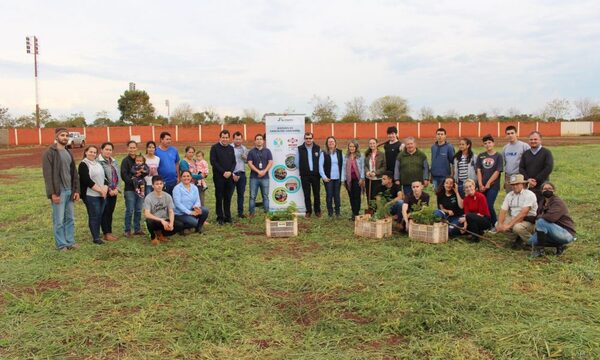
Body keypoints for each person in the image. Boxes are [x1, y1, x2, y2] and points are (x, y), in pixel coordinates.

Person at [42, 127, 80, 251]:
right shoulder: (50, 152)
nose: (65, 137)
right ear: (57, 136)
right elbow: (48, 175)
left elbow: (74, 173)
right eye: (62, 135)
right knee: (59, 220)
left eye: (66, 135)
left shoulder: (68, 152)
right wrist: (53, 193)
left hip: (70, 191)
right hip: (59, 191)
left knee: (70, 219)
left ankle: (70, 241)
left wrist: (76, 190)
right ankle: (61, 244)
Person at [528, 182, 576, 257]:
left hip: (565, 233)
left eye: (550, 188)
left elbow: (550, 218)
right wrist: (523, 217)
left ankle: (541, 250)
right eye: (545, 189)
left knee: (541, 221)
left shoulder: (557, 202)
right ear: (541, 191)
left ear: (554, 190)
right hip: (553, 231)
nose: (547, 190)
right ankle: (559, 245)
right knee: (532, 241)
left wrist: (538, 218)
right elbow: (537, 216)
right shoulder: (542, 202)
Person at [496, 174, 537, 250]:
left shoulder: (529, 195)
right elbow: (503, 210)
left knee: (517, 228)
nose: (515, 186)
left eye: (517, 184)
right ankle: (517, 239)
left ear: (523, 184)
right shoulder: (509, 195)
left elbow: (523, 213)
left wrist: (508, 225)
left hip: (527, 220)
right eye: (513, 184)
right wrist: (500, 224)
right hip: (514, 218)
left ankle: (534, 243)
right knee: (497, 224)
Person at [78, 145, 108, 245]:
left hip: (101, 194)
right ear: (86, 152)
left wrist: (105, 188)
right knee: (94, 215)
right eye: (90, 152)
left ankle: (97, 234)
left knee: (100, 214)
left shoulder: (97, 163)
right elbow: (87, 180)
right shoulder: (83, 164)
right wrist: (100, 190)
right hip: (90, 195)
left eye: (95, 152)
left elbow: (105, 178)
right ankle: (95, 237)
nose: (93, 154)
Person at [210, 129, 236, 225]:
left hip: (229, 177)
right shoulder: (214, 148)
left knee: (228, 197)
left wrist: (230, 172)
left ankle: (227, 216)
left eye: (227, 137)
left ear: (229, 138)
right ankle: (220, 217)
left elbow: (234, 162)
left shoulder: (231, 148)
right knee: (219, 197)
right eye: (223, 137)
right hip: (219, 177)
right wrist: (223, 172)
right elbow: (213, 162)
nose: (225, 139)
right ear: (220, 138)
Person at [519, 131, 554, 202]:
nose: (533, 141)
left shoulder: (546, 153)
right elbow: (521, 168)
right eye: (531, 139)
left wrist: (536, 180)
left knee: (542, 206)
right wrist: (528, 179)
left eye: (535, 139)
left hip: (542, 186)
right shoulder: (525, 154)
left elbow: (548, 168)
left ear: (540, 140)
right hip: (528, 186)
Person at [476, 134, 503, 225]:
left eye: (489, 142)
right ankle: (486, 223)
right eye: (485, 143)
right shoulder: (481, 155)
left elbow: (497, 171)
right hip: (481, 186)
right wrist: (480, 184)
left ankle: (495, 223)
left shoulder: (498, 156)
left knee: (489, 205)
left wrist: (488, 183)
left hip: (493, 186)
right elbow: (478, 170)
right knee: (482, 205)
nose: (488, 145)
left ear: (493, 143)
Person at [121, 141, 145, 238]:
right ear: (127, 148)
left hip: (140, 189)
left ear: (136, 148)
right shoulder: (125, 161)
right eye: (130, 147)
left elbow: (145, 170)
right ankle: (127, 230)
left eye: (134, 147)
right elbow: (124, 175)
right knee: (130, 210)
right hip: (130, 189)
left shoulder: (140, 159)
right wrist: (135, 181)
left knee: (138, 209)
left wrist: (142, 175)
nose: (132, 149)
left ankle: (137, 229)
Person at [143, 176, 176, 245]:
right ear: (152, 186)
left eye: (161, 184)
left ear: (163, 184)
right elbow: (146, 214)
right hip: (155, 221)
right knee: (149, 221)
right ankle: (153, 236)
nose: (159, 186)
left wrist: (171, 224)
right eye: (157, 184)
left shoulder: (168, 196)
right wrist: (161, 220)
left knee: (179, 225)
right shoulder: (148, 197)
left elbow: (171, 211)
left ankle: (161, 234)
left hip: (165, 220)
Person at [98, 142, 120, 242]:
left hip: (114, 191)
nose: (108, 151)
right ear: (101, 150)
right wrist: (109, 190)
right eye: (106, 149)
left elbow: (117, 176)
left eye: (110, 150)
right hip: (104, 191)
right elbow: (101, 178)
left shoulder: (114, 161)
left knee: (110, 212)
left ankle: (109, 232)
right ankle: (106, 233)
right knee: (105, 212)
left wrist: (116, 189)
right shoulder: (98, 162)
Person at [296, 132, 322, 217]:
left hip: (316, 175)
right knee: (307, 194)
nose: (308, 140)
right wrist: (304, 168)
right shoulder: (300, 149)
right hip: (305, 175)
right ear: (304, 139)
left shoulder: (318, 148)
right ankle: (308, 211)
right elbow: (296, 162)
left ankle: (317, 211)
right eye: (306, 138)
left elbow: (321, 162)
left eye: (310, 138)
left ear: (312, 139)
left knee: (316, 194)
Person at [247, 133, 273, 216]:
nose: (259, 141)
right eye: (257, 139)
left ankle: (267, 213)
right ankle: (252, 213)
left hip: (265, 177)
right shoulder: (251, 152)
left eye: (260, 139)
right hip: (254, 178)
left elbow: (270, 162)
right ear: (255, 141)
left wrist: (264, 171)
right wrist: (258, 171)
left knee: (265, 196)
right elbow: (250, 163)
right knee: (252, 196)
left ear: (263, 141)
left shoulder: (267, 151)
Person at [319, 136, 343, 218]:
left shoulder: (339, 152)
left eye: (332, 141)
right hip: (328, 179)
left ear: (335, 143)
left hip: (337, 178)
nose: (331, 143)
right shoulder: (324, 153)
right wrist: (324, 177)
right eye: (329, 142)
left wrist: (342, 177)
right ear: (327, 144)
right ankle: (330, 213)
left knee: (337, 195)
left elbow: (342, 166)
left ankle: (337, 212)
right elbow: (320, 166)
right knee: (329, 195)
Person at [341, 139, 365, 220]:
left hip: (357, 180)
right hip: (348, 180)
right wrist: (343, 180)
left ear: (356, 147)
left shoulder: (360, 156)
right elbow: (343, 168)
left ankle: (356, 213)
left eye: (353, 146)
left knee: (356, 196)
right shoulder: (346, 156)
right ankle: (353, 212)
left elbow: (362, 167)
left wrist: (362, 178)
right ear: (348, 147)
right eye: (350, 146)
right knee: (351, 196)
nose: (352, 148)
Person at [502, 125, 530, 192]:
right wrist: (505, 180)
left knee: (521, 196)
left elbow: (530, 162)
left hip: (520, 176)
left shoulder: (524, 146)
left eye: (512, 133)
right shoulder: (505, 148)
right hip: (509, 177)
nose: (510, 135)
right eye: (508, 134)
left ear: (516, 134)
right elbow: (505, 164)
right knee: (510, 196)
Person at [364, 138, 386, 211]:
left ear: (377, 144)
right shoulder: (367, 154)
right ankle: (370, 211)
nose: (372, 145)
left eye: (373, 143)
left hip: (377, 179)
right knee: (369, 196)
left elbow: (384, 167)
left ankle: (377, 212)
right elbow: (365, 165)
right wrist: (367, 172)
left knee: (376, 196)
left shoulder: (382, 154)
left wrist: (375, 173)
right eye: (370, 143)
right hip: (369, 179)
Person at [231, 131, 248, 218]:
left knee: (241, 194)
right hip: (232, 174)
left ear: (242, 139)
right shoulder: (230, 148)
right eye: (236, 139)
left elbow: (247, 162)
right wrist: (232, 174)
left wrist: (246, 159)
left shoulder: (244, 149)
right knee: (228, 194)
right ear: (233, 139)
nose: (238, 141)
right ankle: (227, 214)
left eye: (240, 139)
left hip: (242, 174)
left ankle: (240, 213)